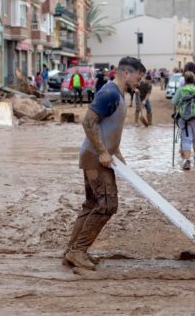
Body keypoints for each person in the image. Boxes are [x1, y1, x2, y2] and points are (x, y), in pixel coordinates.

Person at [63, 56, 142, 270]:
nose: (139, 81)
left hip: (99, 156)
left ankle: (72, 251)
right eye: (138, 77)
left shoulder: (119, 95)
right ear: (126, 74)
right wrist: (102, 152)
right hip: (96, 158)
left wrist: (121, 163)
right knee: (107, 205)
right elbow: (88, 122)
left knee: (91, 205)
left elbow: (111, 135)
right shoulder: (109, 93)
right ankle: (78, 251)